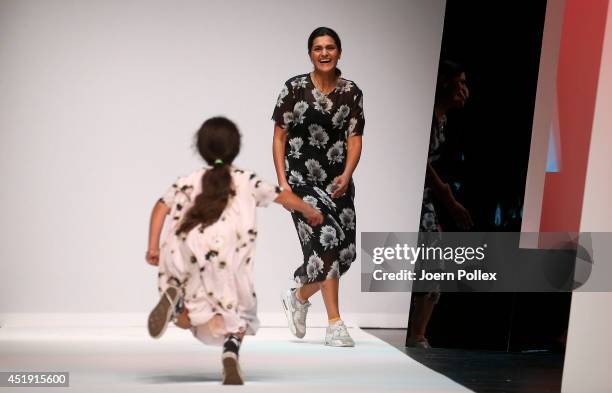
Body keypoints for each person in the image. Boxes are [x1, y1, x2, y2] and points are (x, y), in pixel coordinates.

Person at [145, 117, 323, 385]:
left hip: (188, 246)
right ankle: (231, 352)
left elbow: (161, 206)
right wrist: (310, 210)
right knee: (239, 310)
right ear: (235, 148)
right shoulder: (246, 179)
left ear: (201, 148)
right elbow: (282, 196)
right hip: (228, 253)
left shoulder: (189, 180)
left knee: (190, 316)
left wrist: (152, 247)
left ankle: (176, 302)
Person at [271, 27, 364, 347]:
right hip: (300, 183)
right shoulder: (294, 89)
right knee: (326, 246)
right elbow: (279, 136)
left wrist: (348, 174)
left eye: (330, 47)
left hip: (338, 183)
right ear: (309, 53)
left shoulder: (351, 92)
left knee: (346, 255)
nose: (324, 53)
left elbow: (355, 138)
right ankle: (335, 324)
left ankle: (297, 296)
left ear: (339, 51)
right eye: (317, 48)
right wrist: (283, 185)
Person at [406, 60, 474, 348]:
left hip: (424, 199)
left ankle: (418, 333)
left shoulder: (441, 119)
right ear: (444, 83)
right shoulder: (428, 117)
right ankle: (416, 335)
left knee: (433, 262)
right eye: (459, 83)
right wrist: (448, 198)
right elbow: (419, 161)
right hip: (415, 198)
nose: (464, 91)